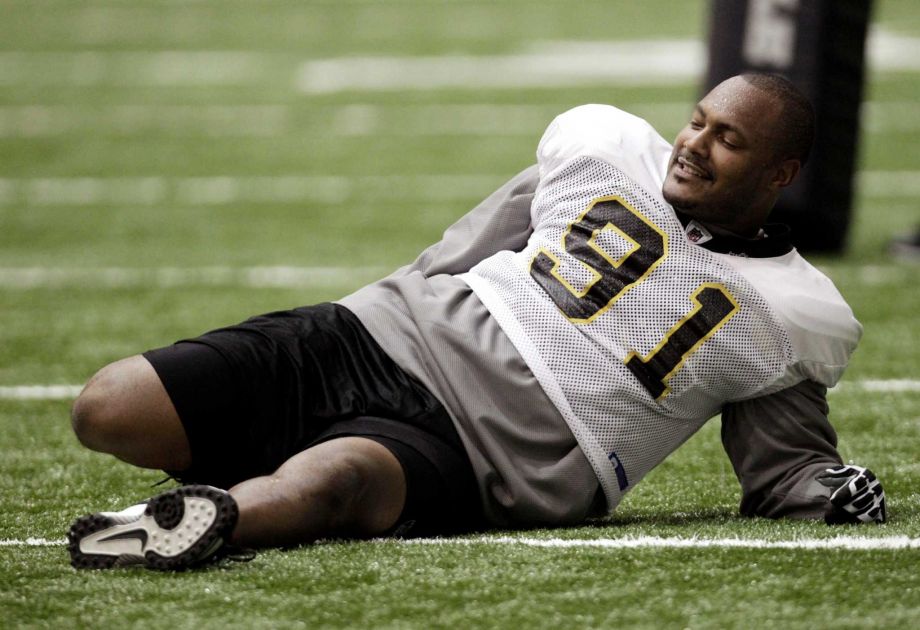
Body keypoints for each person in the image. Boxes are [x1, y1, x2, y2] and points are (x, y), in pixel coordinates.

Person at [67, 73, 886, 571]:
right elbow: (459, 249)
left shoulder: (787, 310)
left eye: (729, 140)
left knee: (335, 483)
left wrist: (829, 495)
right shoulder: (601, 153)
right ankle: (212, 494)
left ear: (780, 173)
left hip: (491, 451)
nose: (695, 144)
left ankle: (174, 528)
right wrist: (344, 329)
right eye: (699, 120)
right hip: (383, 333)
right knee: (108, 409)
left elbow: (785, 467)